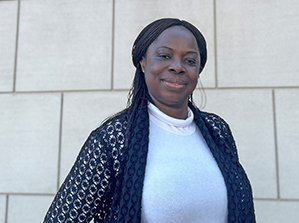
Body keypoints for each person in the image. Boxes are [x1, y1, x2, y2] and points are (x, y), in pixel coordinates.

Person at [44, 18, 256, 223]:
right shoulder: (114, 139)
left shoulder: (217, 131)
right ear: (143, 63)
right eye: (164, 56)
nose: (177, 66)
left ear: (198, 71)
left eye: (190, 60)